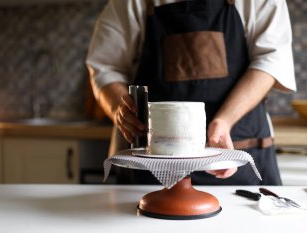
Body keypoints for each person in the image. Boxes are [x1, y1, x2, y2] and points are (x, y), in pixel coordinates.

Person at [86, 0, 296, 185]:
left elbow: (272, 60)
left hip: (239, 155)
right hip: (153, 170)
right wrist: (117, 109)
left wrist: (224, 121)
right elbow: (105, 68)